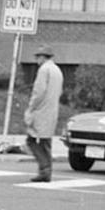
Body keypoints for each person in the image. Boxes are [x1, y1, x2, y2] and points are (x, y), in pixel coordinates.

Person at [24, 45, 63, 182]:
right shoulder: (57, 70)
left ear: (42, 57)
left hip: (41, 110)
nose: (36, 60)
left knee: (32, 141)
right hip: (52, 110)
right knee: (46, 142)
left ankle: (44, 169)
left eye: (38, 57)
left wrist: (31, 108)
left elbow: (38, 92)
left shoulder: (44, 70)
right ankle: (47, 170)